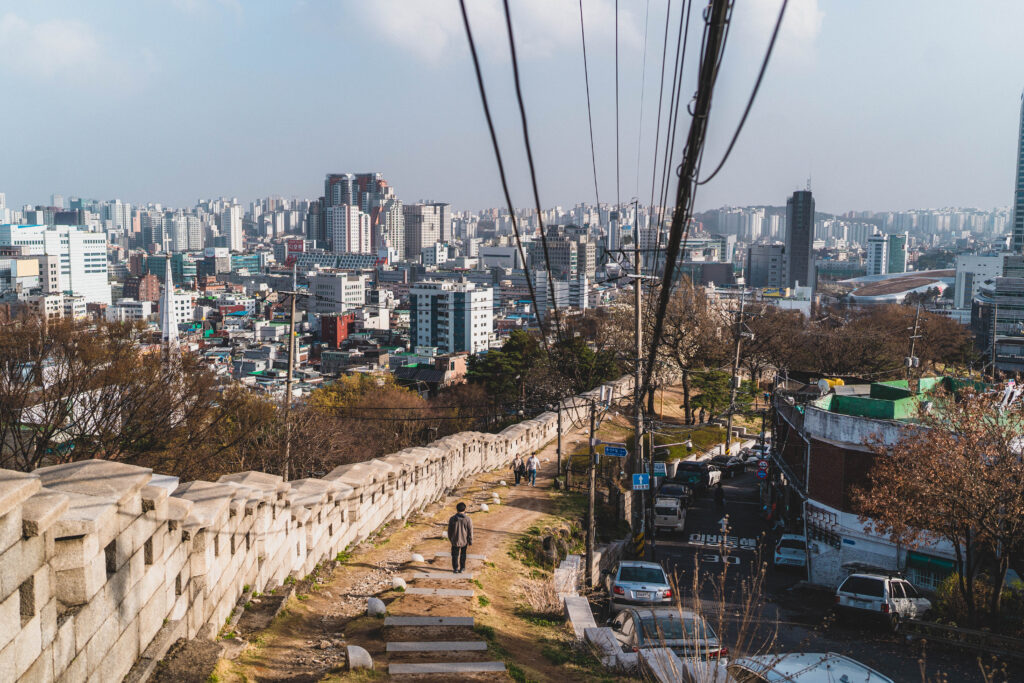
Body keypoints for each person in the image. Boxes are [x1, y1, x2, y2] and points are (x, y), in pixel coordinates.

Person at [447, 502, 473, 573]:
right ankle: (462, 568)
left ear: (456, 509)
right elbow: (470, 531)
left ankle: (455, 568)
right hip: (464, 540)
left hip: (455, 540)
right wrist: (470, 541)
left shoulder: (452, 518)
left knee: (454, 555)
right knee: (463, 554)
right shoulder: (468, 519)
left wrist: (451, 539)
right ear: (465, 509)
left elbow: (449, 531)